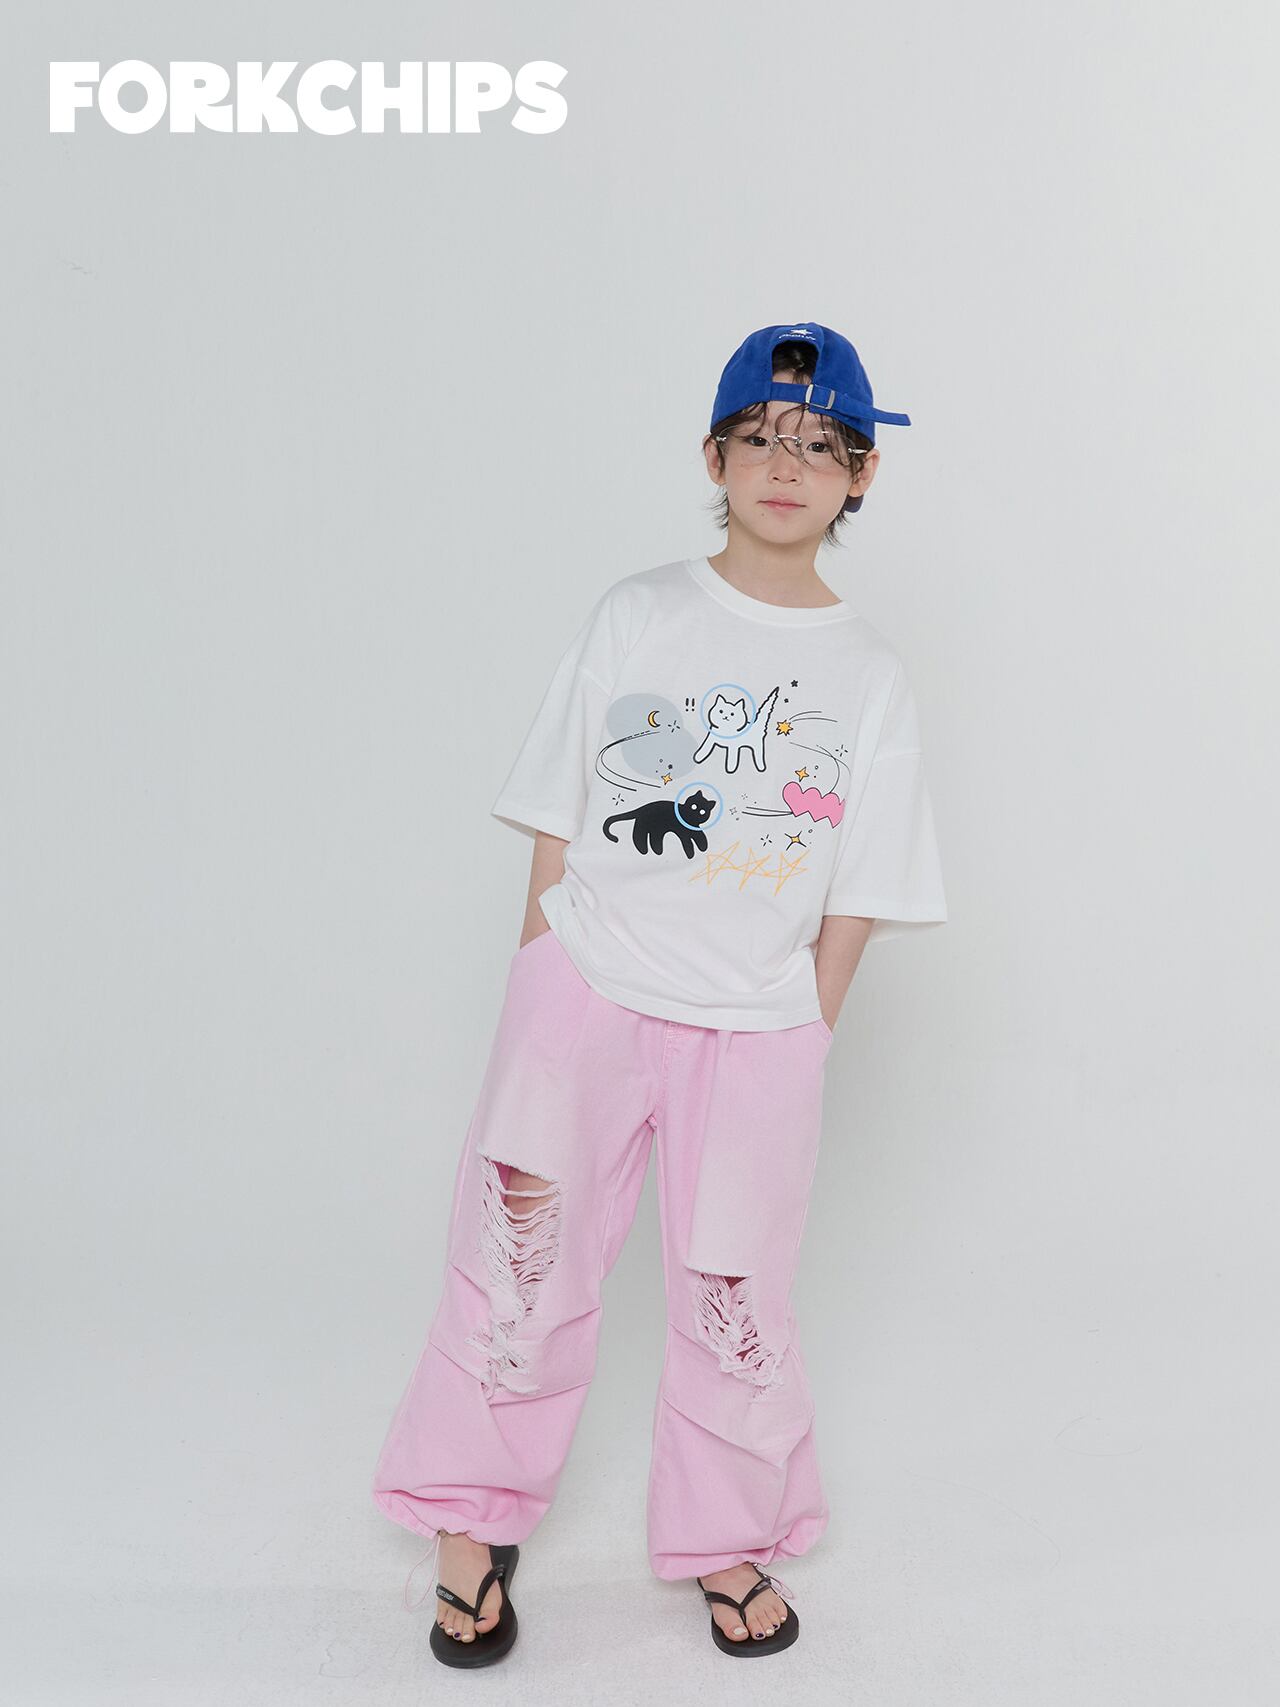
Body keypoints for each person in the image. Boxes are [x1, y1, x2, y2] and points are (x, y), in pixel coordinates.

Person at [370, 321, 948, 1666]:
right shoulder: (640, 611)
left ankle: (726, 1533)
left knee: (736, 1296)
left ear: (862, 474)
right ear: (714, 456)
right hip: (584, 997)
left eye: (822, 446)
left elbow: (864, 880)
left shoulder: (870, 674)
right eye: (762, 438)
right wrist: (540, 967)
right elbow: (557, 804)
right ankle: (471, 1514)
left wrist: (808, 1024)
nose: (787, 467)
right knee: (518, 1262)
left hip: (756, 1030)